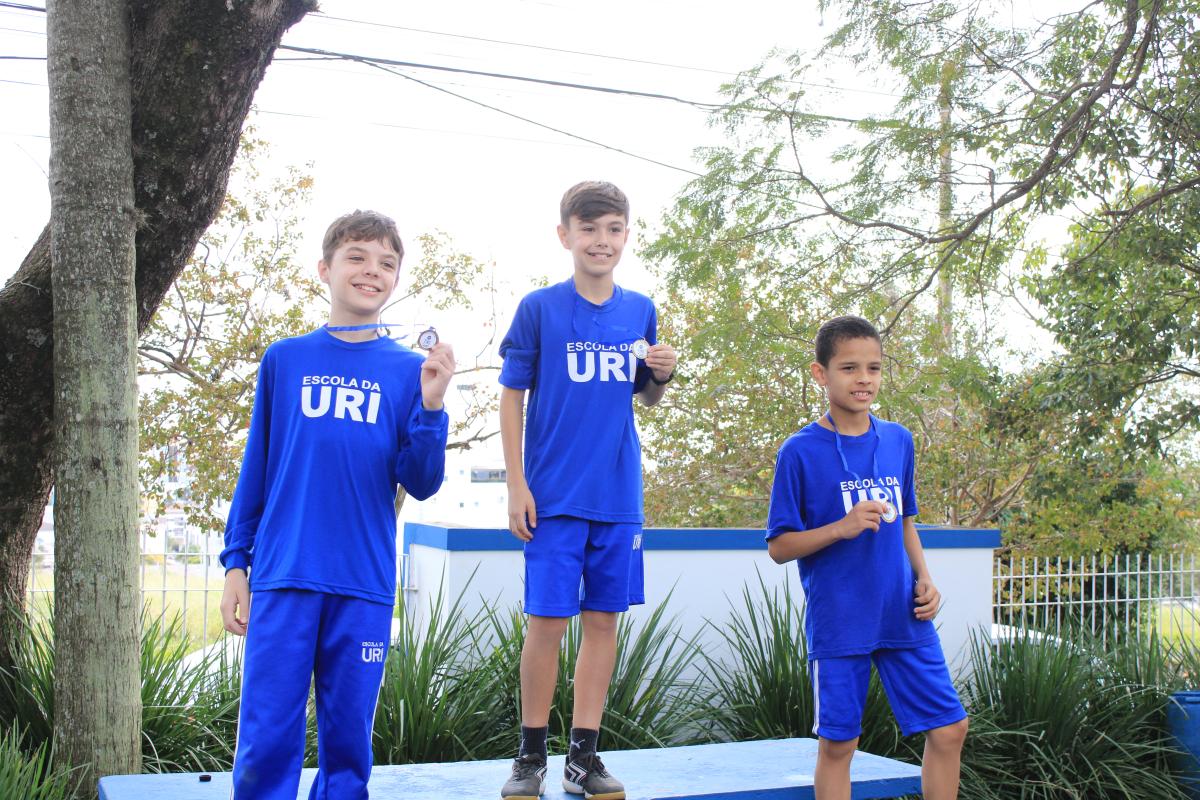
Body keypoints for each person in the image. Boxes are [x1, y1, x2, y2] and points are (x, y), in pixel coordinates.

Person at [218, 210, 454, 800]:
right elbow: (258, 469)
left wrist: (431, 405)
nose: (372, 271)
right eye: (357, 257)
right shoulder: (285, 359)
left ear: (395, 280)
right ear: (325, 268)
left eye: (386, 263)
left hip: (362, 580)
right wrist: (236, 563)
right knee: (267, 737)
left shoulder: (410, 370)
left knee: (348, 745)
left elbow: (422, 481)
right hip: (284, 574)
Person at [497, 181, 676, 800]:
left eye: (614, 229)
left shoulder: (640, 310)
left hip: (618, 497)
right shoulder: (539, 309)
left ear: (626, 235)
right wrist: (517, 484)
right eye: (590, 228)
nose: (602, 240)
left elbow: (645, 398)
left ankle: (583, 757)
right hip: (552, 497)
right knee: (546, 624)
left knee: (603, 623)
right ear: (565, 235)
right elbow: (511, 396)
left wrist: (661, 375)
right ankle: (530, 757)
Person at [765, 315, 968, 800]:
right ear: (821, 374)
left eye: (873, 368)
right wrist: (842, 527)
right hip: (841, 620)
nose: (864, 379)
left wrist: (926, 578)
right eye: (849, 368)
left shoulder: (898, 439)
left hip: (903, 613)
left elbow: (906, 523)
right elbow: (779, 547)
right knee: (840, 746)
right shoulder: (799, 451)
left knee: (950, 729)